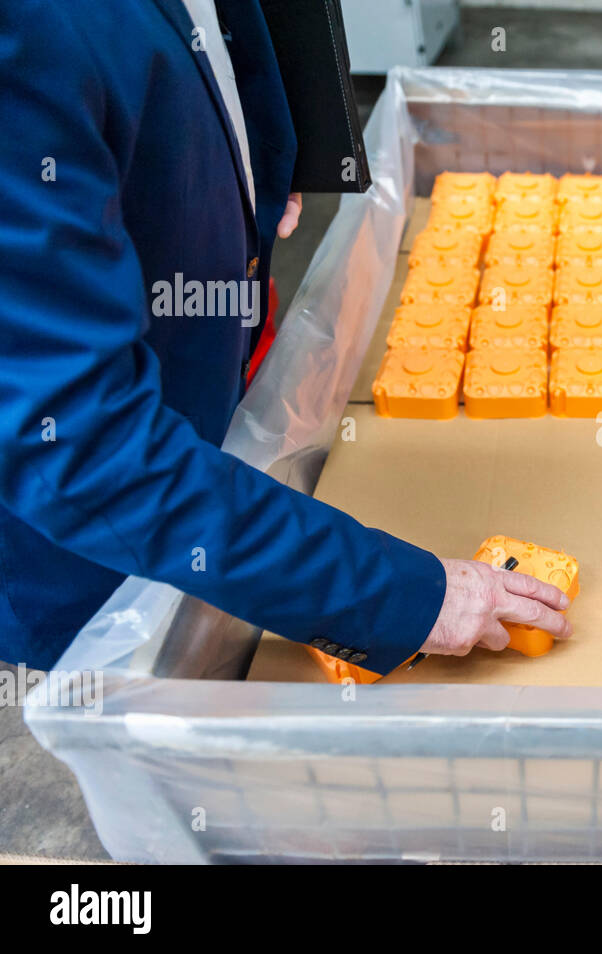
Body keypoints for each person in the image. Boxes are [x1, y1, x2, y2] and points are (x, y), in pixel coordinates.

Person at [0, 0, 570, 674]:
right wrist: (398, 598)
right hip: (92, 553)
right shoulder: (25, 35)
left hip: (197, 372)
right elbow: (77, 438)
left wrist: (257, 160)